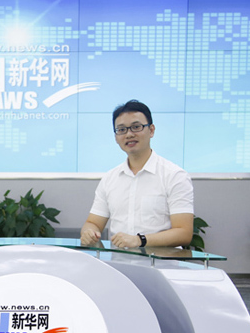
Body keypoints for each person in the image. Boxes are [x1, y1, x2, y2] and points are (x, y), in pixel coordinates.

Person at [80, 100, 194, 248]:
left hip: (161, 261)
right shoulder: (110, 178)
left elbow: (183, 233)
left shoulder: (174, 175)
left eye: (136, 127)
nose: (129, 134)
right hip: (119, 261)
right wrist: (89, 232)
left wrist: (140, 240)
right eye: (122, 129)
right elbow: (93, 223)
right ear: (116, 137)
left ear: (151, 130)